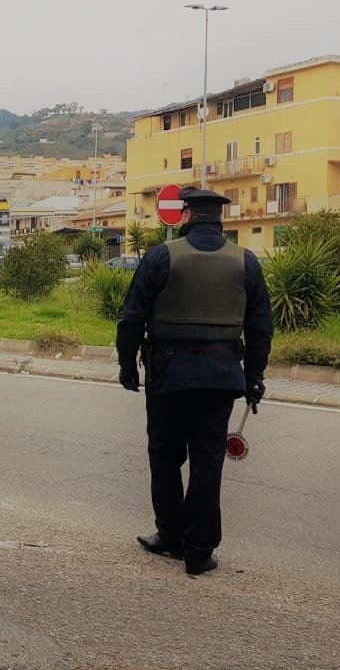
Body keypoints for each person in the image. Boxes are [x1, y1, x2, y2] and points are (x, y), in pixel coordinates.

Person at [116, 187, 272, 576]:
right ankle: (199, 552)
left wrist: (127, 366)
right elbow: (260, 327)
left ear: (186, 215)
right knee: (208, 461)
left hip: (169, 373)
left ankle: (169, 534)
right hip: (221, 376)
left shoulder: (161, 257)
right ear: (220, 219)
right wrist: (254, 377)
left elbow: (132, 317)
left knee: (165, 455)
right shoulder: (245, 261)